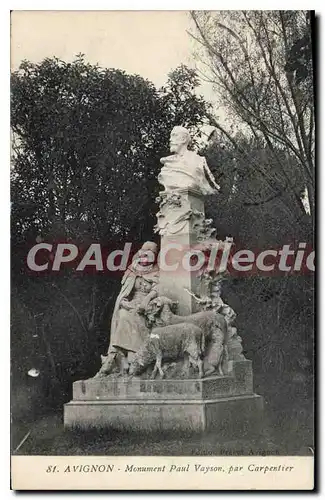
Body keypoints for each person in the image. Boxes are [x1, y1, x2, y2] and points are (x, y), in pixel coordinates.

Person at [97, 241, 159, 376]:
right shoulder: (132, 269)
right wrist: (124, 302)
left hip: (145, 307)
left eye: (147, 257)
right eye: (142, 256)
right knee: (123, 314)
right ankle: (121, 356)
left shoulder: (157, 272)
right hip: (131, 304)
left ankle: (127, 356)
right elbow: (125, 293)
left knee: (130, 317)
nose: (143, 260)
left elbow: (157, 290)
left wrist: (146, 301)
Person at [158, 126, 220, 196]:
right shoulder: (167, 164)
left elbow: (209, 185)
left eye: (174, 136)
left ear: (184, 139)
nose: (170, 139)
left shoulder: (198, 160)